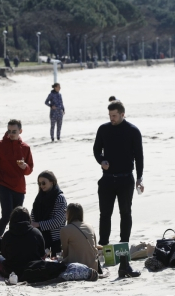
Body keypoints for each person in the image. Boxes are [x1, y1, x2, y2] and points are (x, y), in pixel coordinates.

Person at [93, 100, 144, 245]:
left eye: (114, 115)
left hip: (126, 178)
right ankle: (103, 244)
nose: (111, 118)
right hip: (107, 179)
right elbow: (96, 150)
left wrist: (139, 178)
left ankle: (123, 244)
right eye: (110, 115)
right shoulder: (103, 129)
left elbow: (139, 156)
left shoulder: (133, 131)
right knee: (104, 214)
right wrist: (101, 161)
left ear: (122, 114)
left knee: (126, 213)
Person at [0, 119, 34, 237]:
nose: (11, 134)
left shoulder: (25, 148)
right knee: (6, 215)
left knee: (18, 218)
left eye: (14, 131)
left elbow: (30, 169)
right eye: (9, 131)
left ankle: (15, 242)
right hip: (4, 186)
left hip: (19, 188)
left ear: (20, 131)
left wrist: (24, 167)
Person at [1, 206, 46, 277]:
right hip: (33, 269)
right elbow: (42, 253)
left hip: (12, 270)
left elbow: (4, 254)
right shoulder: (36, 233)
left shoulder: (8, 235)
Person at [30, 171, 67, 256]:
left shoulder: (60, 198)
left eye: (43, 183)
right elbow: (33, 215)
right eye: (39, 183)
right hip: (41, 239)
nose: (41, 186)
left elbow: (58, 221)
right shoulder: (39, 198)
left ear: (52, 182)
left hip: (56, 240)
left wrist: (38, 224)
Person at [60, 203, 99, 270]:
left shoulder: (65, 230)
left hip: (77, 267)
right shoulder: (90, 226)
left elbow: (65, 253)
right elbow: (95, 246)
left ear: (69, 214)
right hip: (93, 266)